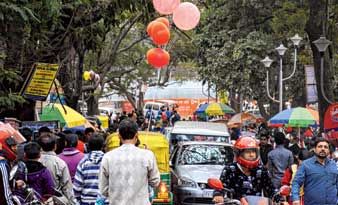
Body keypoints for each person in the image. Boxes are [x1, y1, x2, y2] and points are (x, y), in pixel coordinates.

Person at [99, 119, 160, 205]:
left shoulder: (108, 157)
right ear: (137, 135)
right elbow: (155, 182)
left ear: (119, 136)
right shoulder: (147, 155)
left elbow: (103, 190)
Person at [213, 136, 276, 203]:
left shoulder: (262, 170)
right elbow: (221, 187)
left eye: (253, 152)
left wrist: (280, 198)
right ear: (238, 153)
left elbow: (271, 189)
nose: (251, 155)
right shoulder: (229, 170)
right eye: (248, 152)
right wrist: (218, 195)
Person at [291, 138, 338, 205]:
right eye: (320, 146)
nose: (323, 149)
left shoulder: (333, 164)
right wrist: (295, 198)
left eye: (325, 147)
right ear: (315, 149)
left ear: (328, 150)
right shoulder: (305, 165)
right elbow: (296, 182)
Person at [38, 133, 76, 205]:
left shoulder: (35, 161)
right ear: (55, 146)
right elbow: (67, 188)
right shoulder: (60, 163)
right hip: (55, 201)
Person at [73, 133, 108, 205]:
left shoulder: (83, 162)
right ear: (103, 146)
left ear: (88, 146)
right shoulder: (108, 161)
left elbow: (77, 187)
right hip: (105, 202)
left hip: (86, 202)